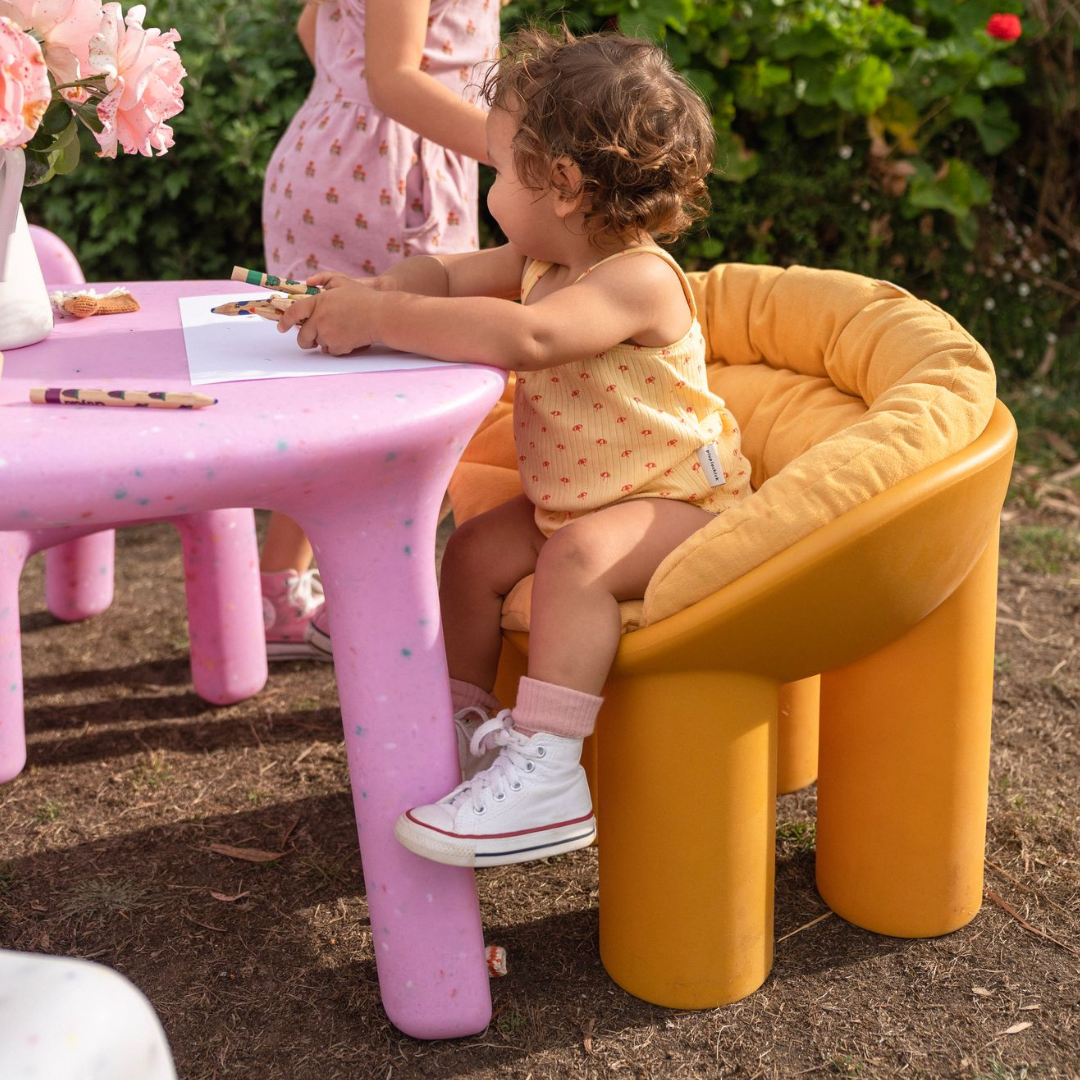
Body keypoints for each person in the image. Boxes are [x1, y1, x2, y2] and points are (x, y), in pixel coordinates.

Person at [278, 27, 751, 867]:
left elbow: (528, 340)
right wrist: (377, 290)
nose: (490, 188)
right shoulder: (542, 258)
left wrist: (384, 322)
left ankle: (546, 768)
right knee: (473, 554)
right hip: (582, 500)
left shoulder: (636, 279)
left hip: (680, 504)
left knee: (574, 562)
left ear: (562, 186)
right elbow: (455, 276)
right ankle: (457, 731)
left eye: (499, 171)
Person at [258, 0, 501, 660]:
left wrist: (350, 107)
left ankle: (278, 592)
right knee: (417, 405)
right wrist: (518, 152)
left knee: (337, 399)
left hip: (342, 163)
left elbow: (316, 27)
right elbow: (393, 78)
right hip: (389, 181)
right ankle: (365, 600)